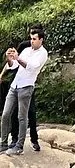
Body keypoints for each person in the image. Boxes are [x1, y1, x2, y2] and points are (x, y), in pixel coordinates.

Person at [0, 27, 47, 155]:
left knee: (22, 117)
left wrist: (18, 58)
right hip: (15, 85)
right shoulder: (26, 50)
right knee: (5, 114)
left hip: (26, 87)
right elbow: (14, 65)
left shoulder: (43, 53)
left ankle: (19, 145)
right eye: (31, 38)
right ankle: (3, 143)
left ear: (41, 40)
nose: (31, 41)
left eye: (34, 39)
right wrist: (10, 58)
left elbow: (32, 67)